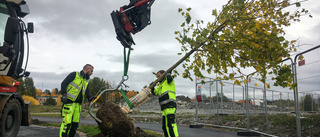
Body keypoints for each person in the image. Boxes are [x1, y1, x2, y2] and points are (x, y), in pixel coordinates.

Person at [59, 64, 96, 137]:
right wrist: (64, 94)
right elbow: (64, 83)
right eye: (91, 71)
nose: (92, 73)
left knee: (74, 125)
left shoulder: (86, 80)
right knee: (67, 124)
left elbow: (87, 90)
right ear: (87, 70)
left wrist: (90, 98)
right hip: (69, 103)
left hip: (78, 105)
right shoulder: (74, 75)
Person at [151, 70, 179, 137]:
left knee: (171, 124)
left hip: (170, 106)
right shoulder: (160, 85)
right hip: (164, 108)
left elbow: (169, 79)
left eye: (159, 76)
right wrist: (152, 87)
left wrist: (168, 73)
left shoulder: (169, 80)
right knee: (165, 126)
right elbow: (155, 93)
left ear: (163, 75)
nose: (158, 78)